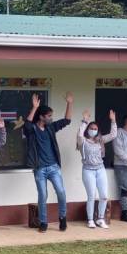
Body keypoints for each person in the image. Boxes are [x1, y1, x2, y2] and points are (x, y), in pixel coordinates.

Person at [23, 91, 74, 232]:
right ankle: (43, 223)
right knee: (43, 196)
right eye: (49, 116)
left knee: (61, 192)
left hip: (53, 167)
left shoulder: (51, 128)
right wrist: (34, 107)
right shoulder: (33, 130)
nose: (51, 118)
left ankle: (62, 218)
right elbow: (27, 125)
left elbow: (67, 120)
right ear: (41, 117)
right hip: (39, 169)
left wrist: (69, 103)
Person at [77, 109, 117, 229]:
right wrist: (84, 121)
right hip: (88, 170)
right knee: (91, 196)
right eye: (91, 128)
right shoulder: (83, 141)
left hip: (100, 169)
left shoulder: (100, 140)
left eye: (95, 129)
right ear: (88, 129)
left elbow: (113, 135)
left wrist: (113, 121)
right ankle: (90, 220)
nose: (93, 130)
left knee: (104, 196)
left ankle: (100, 219)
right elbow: (79, 134)